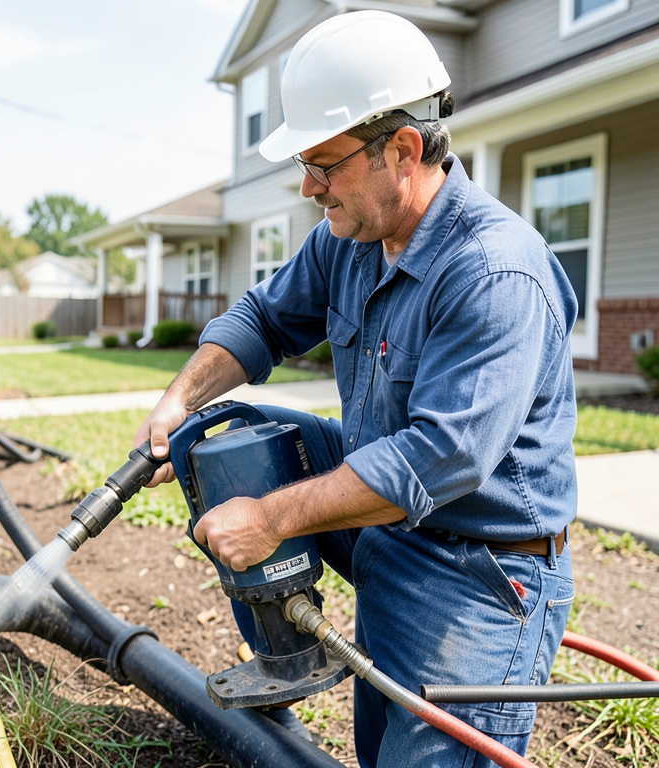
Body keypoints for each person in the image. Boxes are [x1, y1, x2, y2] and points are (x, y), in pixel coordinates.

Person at [135, 10, 578, 767]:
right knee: (229, 438)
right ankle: (288, 654)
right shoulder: (351, 238)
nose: (309, 187)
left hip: (478, 572)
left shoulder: (495, 270)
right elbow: (264, 320)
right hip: (390, 529)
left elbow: (438, 459)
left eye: (324, 164)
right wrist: (182, 400)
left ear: (403, 148)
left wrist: (270, 516)